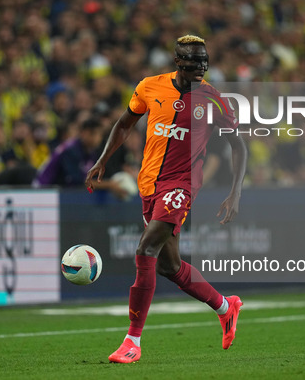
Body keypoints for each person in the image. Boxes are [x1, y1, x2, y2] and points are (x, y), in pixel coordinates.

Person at [85, 35, 247, 364]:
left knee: (145, 250)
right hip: (149, 184)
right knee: (170, 266)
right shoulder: (149, 87)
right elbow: (124, 123)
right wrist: (103, 159)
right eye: (192, 62)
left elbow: (238, 146)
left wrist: (235, 191)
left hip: (182, 184)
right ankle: (225, 306)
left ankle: (132, 341)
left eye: (203, 62)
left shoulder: (214, 100)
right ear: (177, 61)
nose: (199, 69)